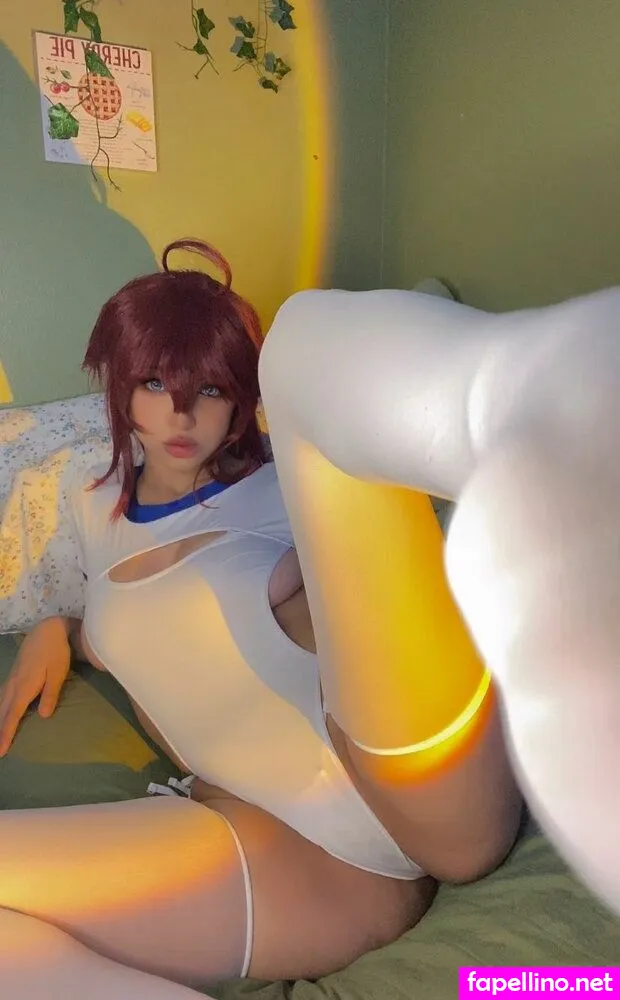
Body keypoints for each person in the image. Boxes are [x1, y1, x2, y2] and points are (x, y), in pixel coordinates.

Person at [0, 239, 522, 999]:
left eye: (210, 389)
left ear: (242, 398)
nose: (182, 415)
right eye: (154, 383)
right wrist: (61, 630)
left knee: (310, 354)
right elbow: (135, 619)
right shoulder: (91, 502)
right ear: (118, 386)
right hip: (290, 852)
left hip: (403, 780)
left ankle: (399, 361)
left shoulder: (280, 486)